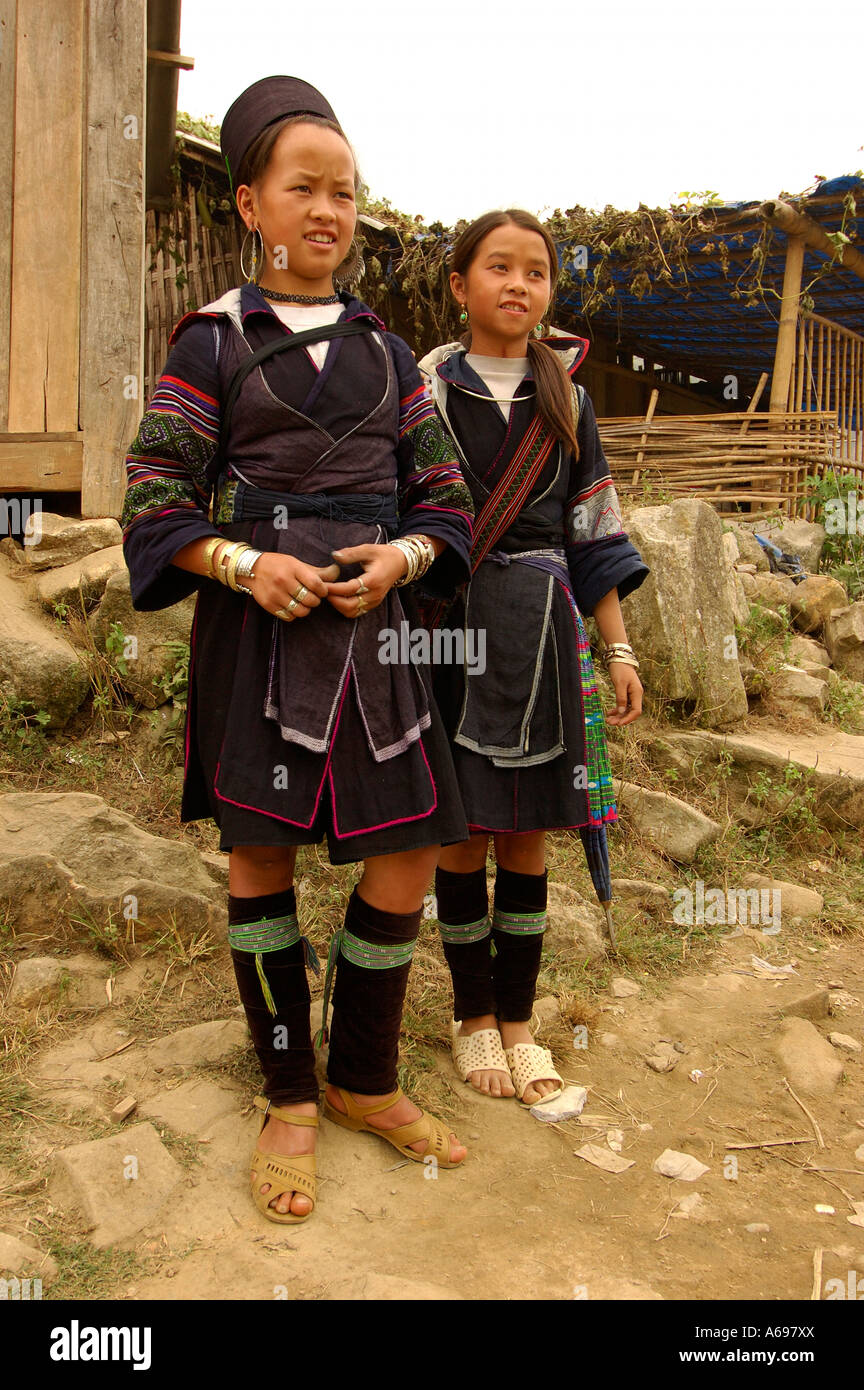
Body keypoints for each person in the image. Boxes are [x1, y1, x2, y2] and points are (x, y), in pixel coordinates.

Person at [121, 76, 476, 1223]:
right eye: (304, 189)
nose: (329, 210)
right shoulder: (212, 342)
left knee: (408, 858)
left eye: (346, 192)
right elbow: (155, 503)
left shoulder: (391, 356)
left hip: (380, 648)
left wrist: (402, 565)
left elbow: (448, 504)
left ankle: (364, 1073)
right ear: (250, 206)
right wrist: (241, 563)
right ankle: (288, 1089)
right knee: (260, 862)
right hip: (259, 642)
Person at [417, 209, 649, 1106]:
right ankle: (471, 1018)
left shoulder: (570, 397)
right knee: (465, 829)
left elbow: (595, 532)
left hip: (547, 631)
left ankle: (519, 1020)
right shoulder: (427, 388)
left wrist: (616, 647)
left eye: (537, 271)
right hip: (455, 631)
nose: (520, 284)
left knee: (527, 836)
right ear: (460, 285)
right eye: (499, 267)